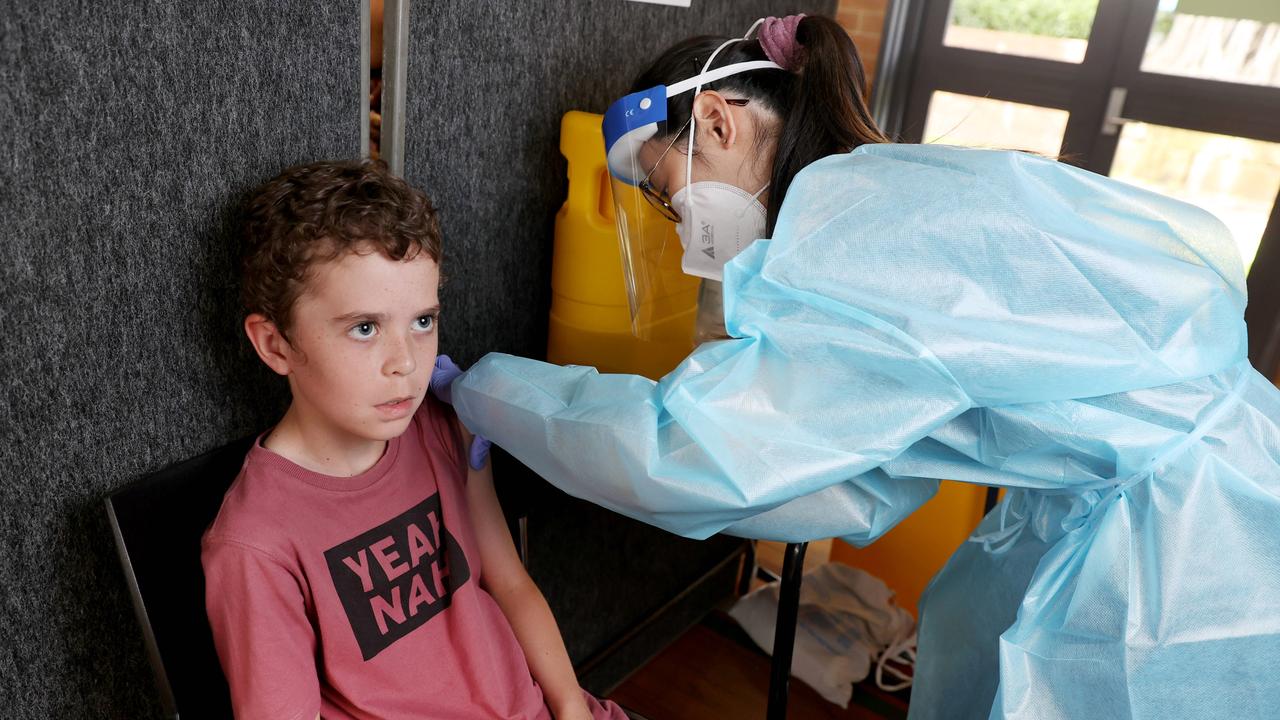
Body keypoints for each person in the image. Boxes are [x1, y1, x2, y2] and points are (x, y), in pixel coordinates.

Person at [438, 14, 1280, 720]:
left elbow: (690, 456)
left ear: (721, 124)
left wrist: (486, 390)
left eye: (669, 192)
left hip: (1186, 544)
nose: (676, 228)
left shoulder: (848, 236)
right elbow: (866, 476)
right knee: (978, 645)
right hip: (1178, 486)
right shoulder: (874, 194)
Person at [200, 159, 625, 720]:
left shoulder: (445, 428)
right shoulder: (256, 544)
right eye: (365, 328)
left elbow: (509, 581)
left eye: (422, 321)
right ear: (275, 345)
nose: (405, 363)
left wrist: (571, 707)